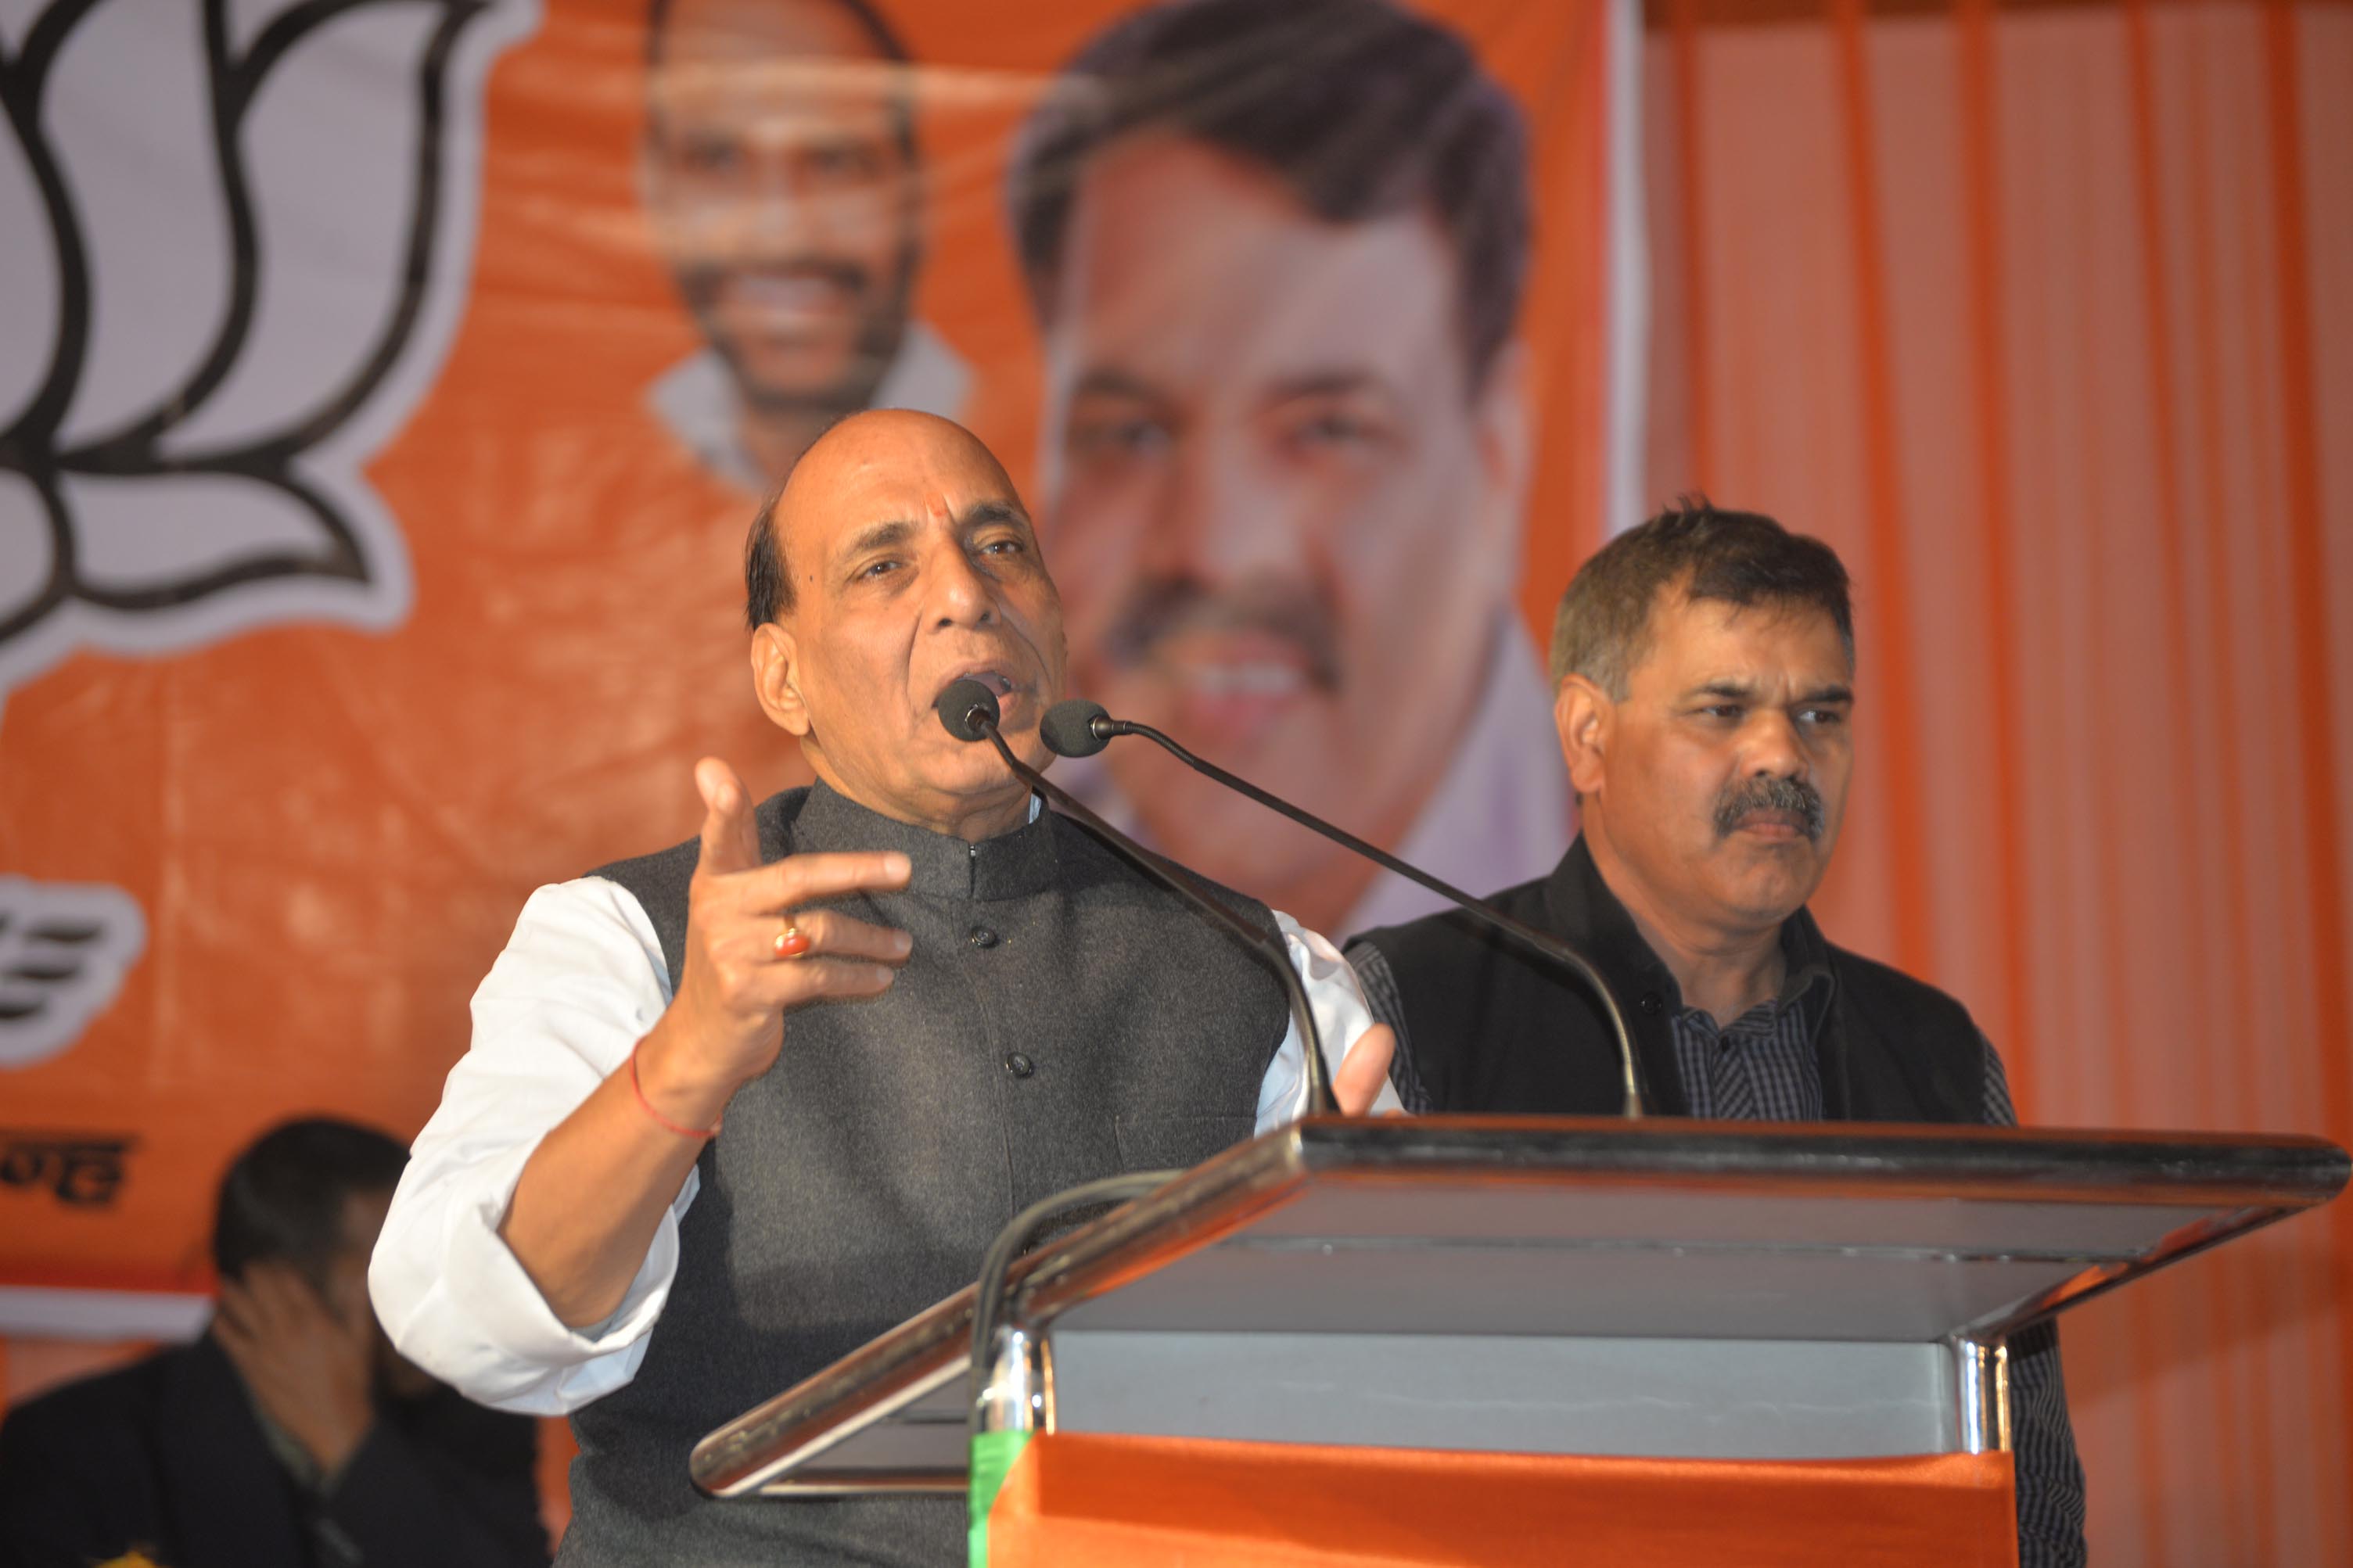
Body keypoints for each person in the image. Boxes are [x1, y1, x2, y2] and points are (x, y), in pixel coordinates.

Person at [368, 410, 1394, 1565]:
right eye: (882, 565)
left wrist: (1353, 1292)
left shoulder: (1267, 969)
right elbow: (464, 1317)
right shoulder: (628, 939)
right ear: (784, 676)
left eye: (1002, 547)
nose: (965, 593)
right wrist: (686, 1063)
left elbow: (1408, 1397)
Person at [1345, 500, 2088, 1566]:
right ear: (1586, 737)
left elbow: (2030, 1486)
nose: (1782, 755)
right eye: (1723, 710)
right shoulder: (1415, 1008)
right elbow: (1346, 1428)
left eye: (1821, 715)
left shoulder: (1935, 1056)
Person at [1003, 0, 1570, 939]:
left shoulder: (1640, 929)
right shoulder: (975, 902)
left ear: (1494, 465)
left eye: (1326, 431)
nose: (1216, 550)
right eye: (1130, 433)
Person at [0, 1118, 548, 1568]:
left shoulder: (477, 1411)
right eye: (408, 1267)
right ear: (283, 1298)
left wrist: (353, 1448)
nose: (451, 1292)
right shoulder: (69, 1450)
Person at [641, 0, 967, 490]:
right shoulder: (603, 453)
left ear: (918, 187)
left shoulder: (1027, 433)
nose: (783, 235)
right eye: (720, 160)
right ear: (651, 183)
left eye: (837, 162)